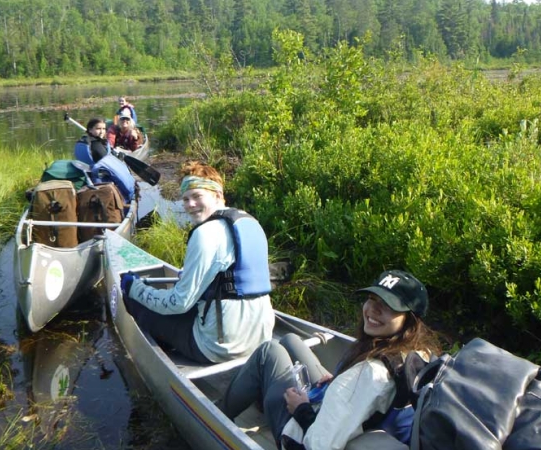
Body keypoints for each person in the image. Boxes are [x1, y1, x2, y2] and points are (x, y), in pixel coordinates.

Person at [217, 270, 442, 450]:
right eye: (372, 299)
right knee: (290, 340)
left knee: (268, 352)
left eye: (388, 306)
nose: (372, 309)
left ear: (409, 320)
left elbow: (318, 445)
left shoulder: (368, 374)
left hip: (301, 438)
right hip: (356, 412)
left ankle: (215, 414)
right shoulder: (420, 355)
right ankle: (262, 396)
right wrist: (337, 383)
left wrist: (301, 409)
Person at [120, 162, 275, 364]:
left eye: (197, 196)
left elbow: (179, 303)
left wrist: (135, 288)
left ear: (217, 195)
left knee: (139, 304)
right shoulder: (249, 222)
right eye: (185, 199)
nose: (190, 204)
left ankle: (154, 359)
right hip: (262, 339)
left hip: (220, 348)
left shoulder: (205, 233)